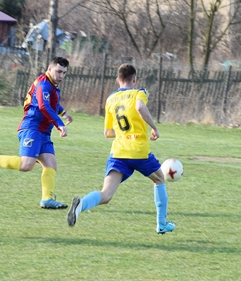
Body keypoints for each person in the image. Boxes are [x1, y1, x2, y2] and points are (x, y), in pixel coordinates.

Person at [67, 63, 175, 234]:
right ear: (134, 79)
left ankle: (81, 205)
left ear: (118, 80)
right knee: (159, 179)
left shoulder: (110, 99)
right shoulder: (139, 92)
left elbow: (107, 132)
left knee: (106, 194)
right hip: (138, 149)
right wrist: (153, 127)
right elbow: (139, 107)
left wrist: (122, 132)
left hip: (118, 151)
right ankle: (161, 224)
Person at [0, 56, 73, 209]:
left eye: (64, 73)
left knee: (50, 164)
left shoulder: (51, 85)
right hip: (32, 129)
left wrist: (63, 112)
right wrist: (60, 124)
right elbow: (44, 106)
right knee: (26, 165)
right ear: (49, 69)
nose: (61, 76)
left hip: (43, 132)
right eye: (58, 72)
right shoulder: (44, 84)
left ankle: (46, 200)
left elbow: (53, 103)